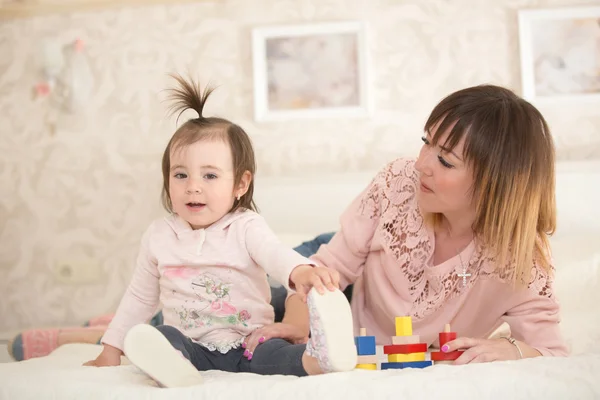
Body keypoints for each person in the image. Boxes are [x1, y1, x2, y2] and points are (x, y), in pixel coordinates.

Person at [243, 84, 570, 364]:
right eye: (426, 142)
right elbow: (328, 267)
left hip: (364, 280)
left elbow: (549, 349)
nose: (421, 164)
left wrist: (510, 348)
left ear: (496, 184)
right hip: (340, 271)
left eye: (444, 160)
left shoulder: (523, 262)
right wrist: (298, 322)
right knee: (237, 299)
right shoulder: (398, 182)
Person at [83, 75, 358, 387]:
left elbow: (274, 254)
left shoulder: (245, 226)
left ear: (240, 184)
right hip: (191, 348)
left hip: (250, 344)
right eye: (181, 175)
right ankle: (174, 368)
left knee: (277, 355)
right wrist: (111, 349)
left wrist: (300, 271)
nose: (193, 187)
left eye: (210, 175)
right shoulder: (159, 236)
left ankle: (320, 357)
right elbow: (139, 296)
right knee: (160, 336)